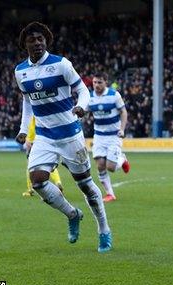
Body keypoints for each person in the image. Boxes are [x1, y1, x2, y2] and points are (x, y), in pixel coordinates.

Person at [14, 22, 112, 252]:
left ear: (46, 40)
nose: (37, 43)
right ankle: (72, 214)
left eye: (41, 39)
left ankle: (104, 230)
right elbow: (27, 102)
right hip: (45, 136)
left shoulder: (61, 64)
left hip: (70, 135)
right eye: (32, 40)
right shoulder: (20, 71)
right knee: (37, 180)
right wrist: (22, 128)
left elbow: (83, 90)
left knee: (86, 185)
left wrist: (81, 106)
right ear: (24, 44)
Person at [88, 72, 130, 202]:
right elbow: (83, 110)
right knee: (100, 165)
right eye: (94, 82)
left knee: (110, 167)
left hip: (113, 136)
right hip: (99, 136)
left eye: (99, 82)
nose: (96, 85)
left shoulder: (114, 95)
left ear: (106, 82)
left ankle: (122, 160)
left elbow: (123, 112)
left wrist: (122, 129)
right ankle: (110, 194)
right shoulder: (89, 97)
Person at [22, 115, 64, 197]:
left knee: (30, 166)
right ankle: (58, 182)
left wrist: (29, 139)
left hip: (35, 140)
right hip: (48, 138)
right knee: (50, 164)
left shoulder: (36, 109)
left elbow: (32, 125)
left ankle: (30, 189)